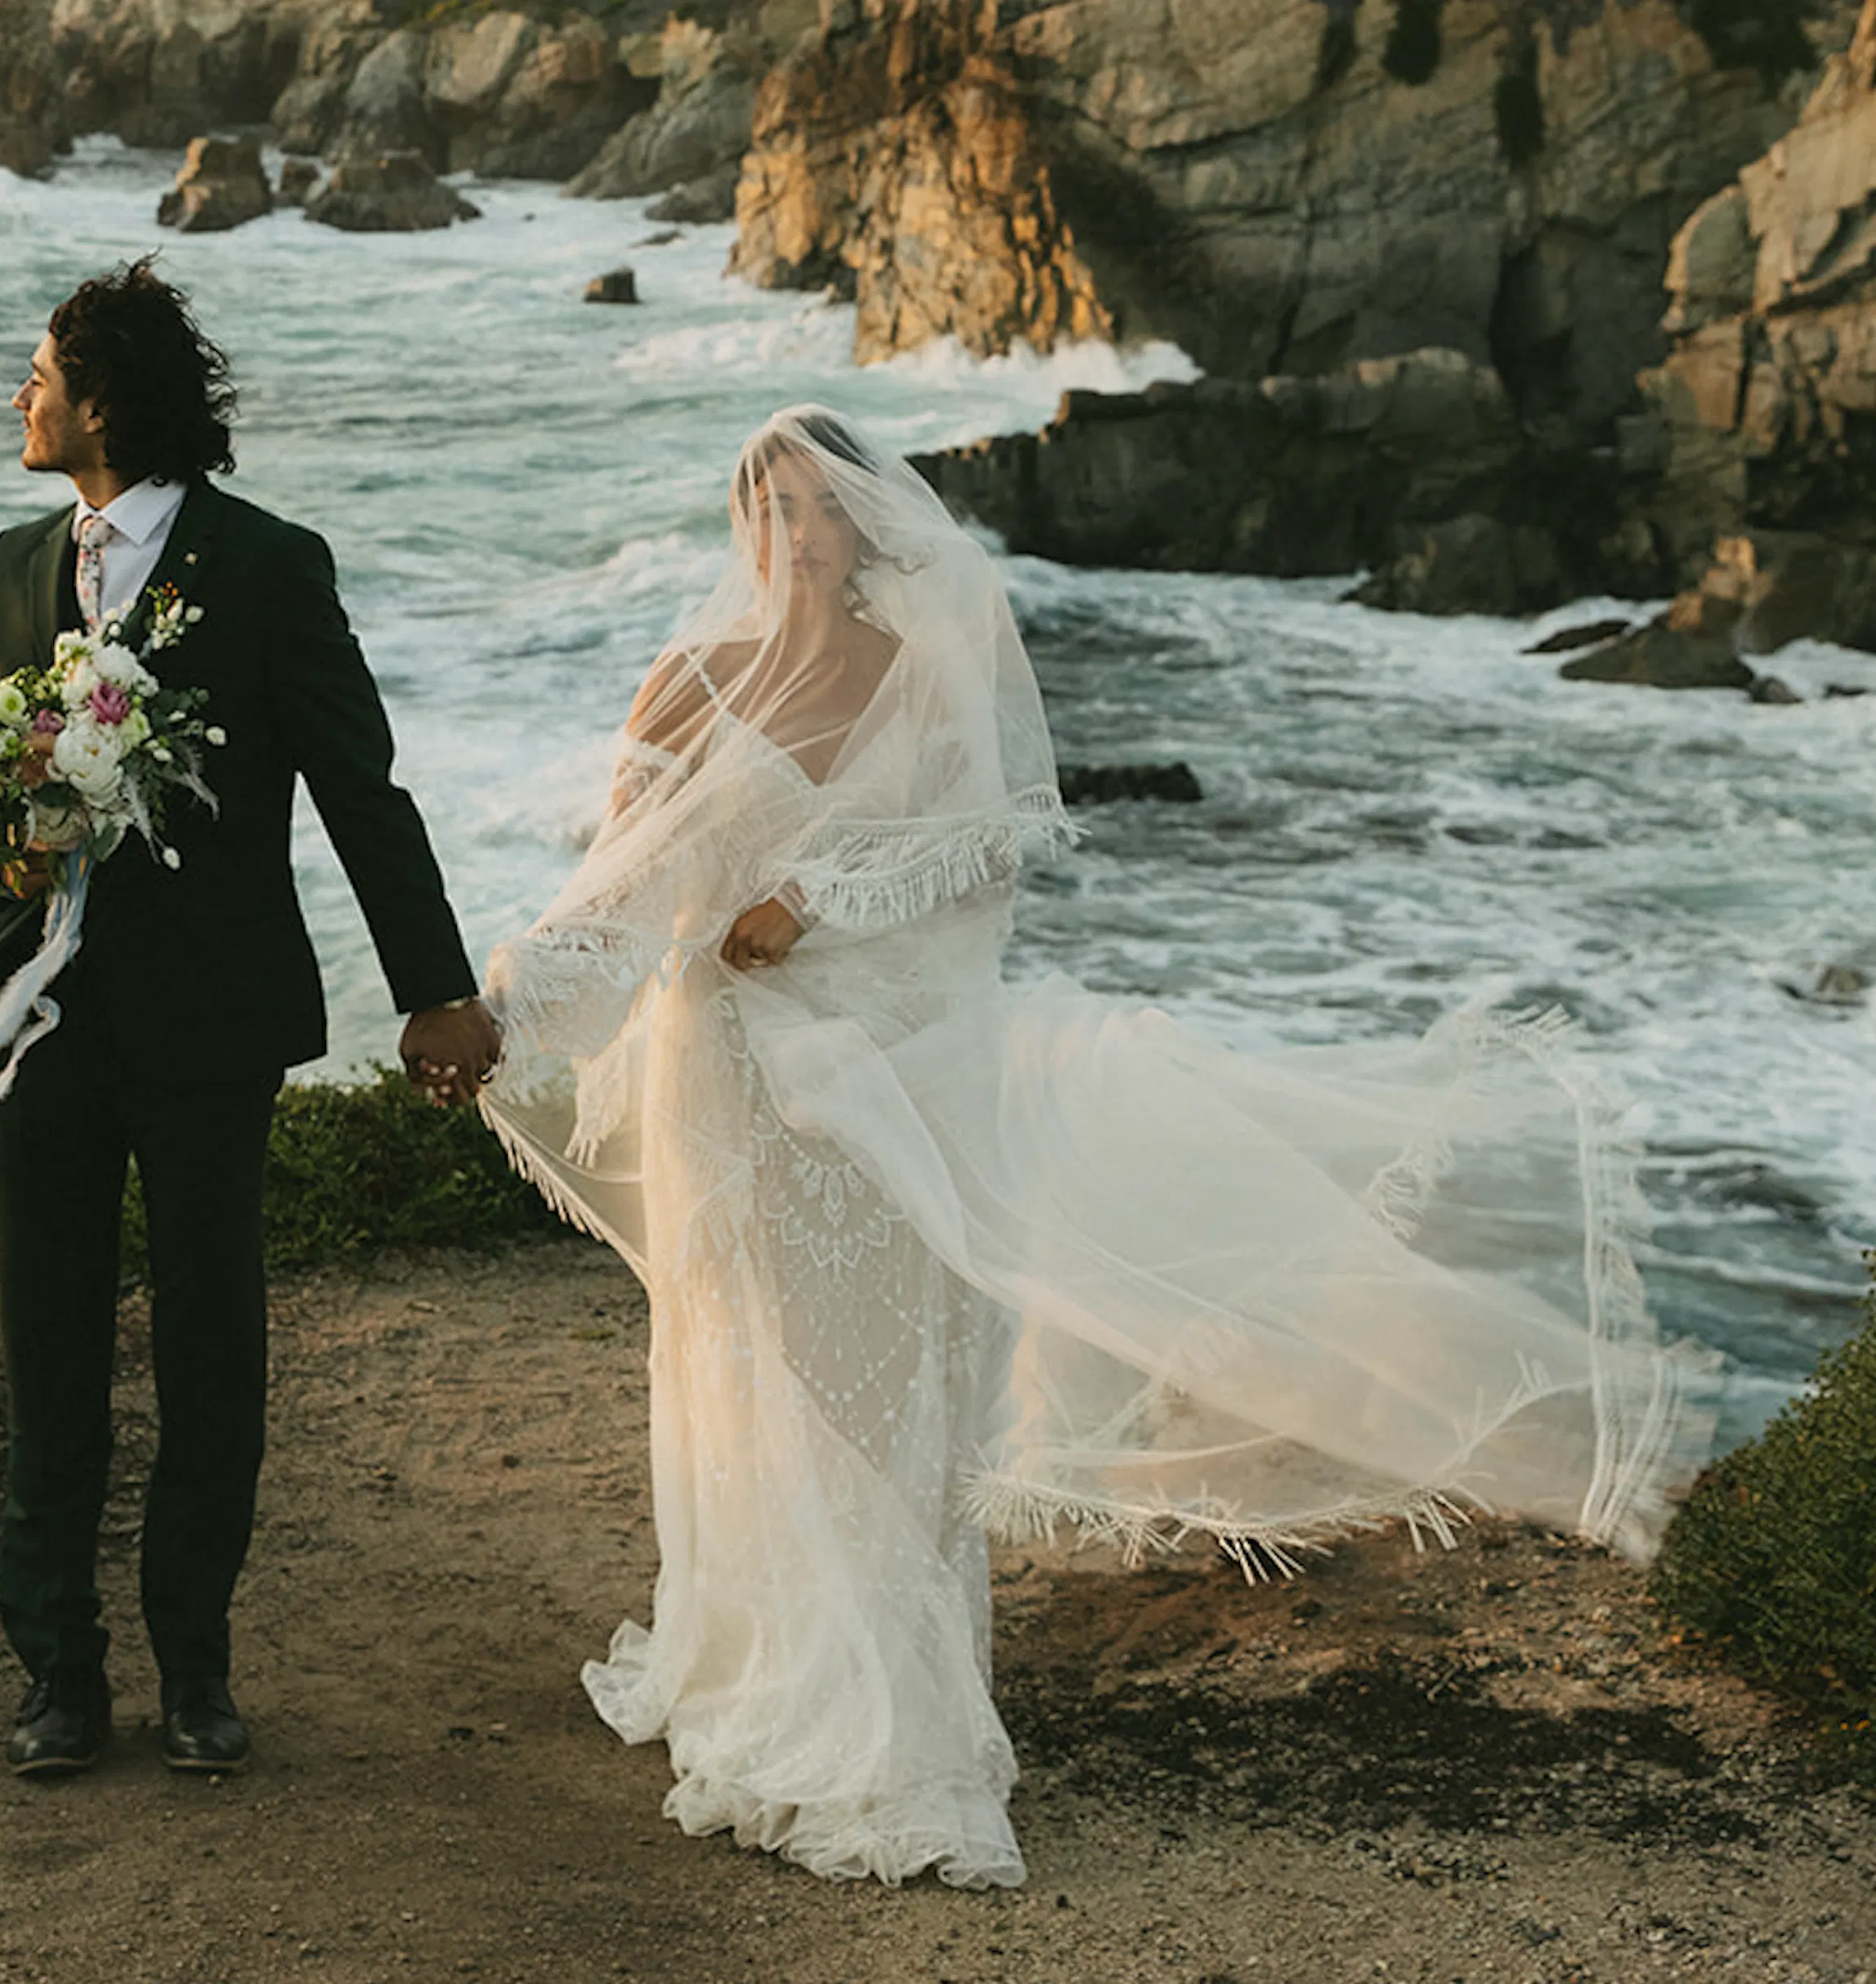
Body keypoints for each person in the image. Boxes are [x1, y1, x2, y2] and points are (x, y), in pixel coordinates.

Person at [477, 406, 1717, 1887]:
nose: (795, 536)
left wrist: (815, 899)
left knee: (889, 1397)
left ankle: (903, 1711)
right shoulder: (689, 681)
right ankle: (758, 1659)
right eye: (771, 506)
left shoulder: (925, 675)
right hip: (726, 1092)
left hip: (888, 1083)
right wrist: (489, 1015)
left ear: (871, 522)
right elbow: (617, 889)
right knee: (747, 1374)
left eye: (819, 507)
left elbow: (988, 853)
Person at [0, 260, 501, 1778]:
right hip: (36, 1021)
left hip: (209, 1024)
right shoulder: (6, 565)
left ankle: (195, 1667)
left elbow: (360, 790)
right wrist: (6, 835)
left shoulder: (266, 567)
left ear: (100, 402)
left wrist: (434, 990)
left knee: (212, 1354)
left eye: (38, 372)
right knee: (44, 1352)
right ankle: (58, 1676)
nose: (20, 394)